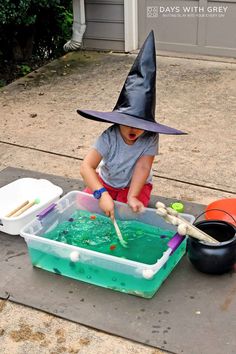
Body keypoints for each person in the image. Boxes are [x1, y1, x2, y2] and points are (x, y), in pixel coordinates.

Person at [77, 31, 186, 219]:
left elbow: (143, 167)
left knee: (130, 214)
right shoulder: (109, 137)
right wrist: (100, 194)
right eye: (127, 123)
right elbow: (86, 167)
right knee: (86, 208)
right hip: (107, 183)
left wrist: (133, 195)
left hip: (136, 185)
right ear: (118, 120)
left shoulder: (150, 137)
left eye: (139, 124)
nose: (133, 129)